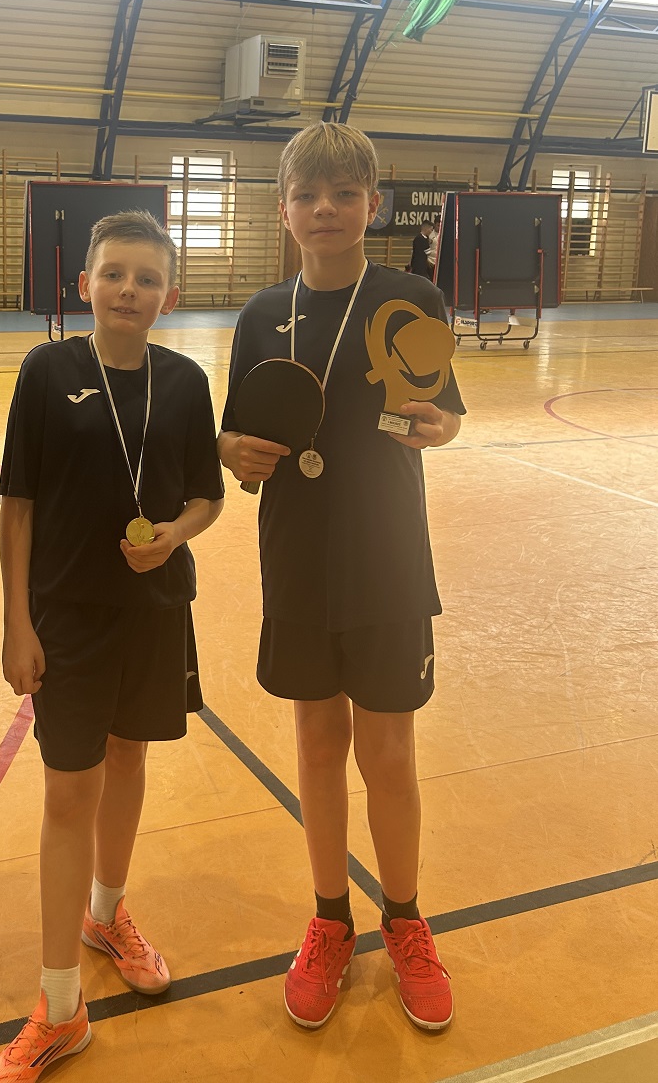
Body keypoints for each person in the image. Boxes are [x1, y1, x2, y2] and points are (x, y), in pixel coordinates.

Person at [218, 122, 465, 1035]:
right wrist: (230, 449)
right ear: (283, 210)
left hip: (388, 558)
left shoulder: (411, 297)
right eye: (307, 195)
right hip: (297, 557)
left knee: (389, 753)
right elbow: (240, 434)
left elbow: (443, 415)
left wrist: (442, 428)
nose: (325, 209)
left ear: (373, 203)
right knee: (319, 745)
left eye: (344, 194)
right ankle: (329, 920)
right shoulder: (260, 315)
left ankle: (405, 922)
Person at [0, 210, 224, 1082]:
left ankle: (106, 914)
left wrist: (174, 536)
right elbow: (17, 507)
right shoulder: (48, 371)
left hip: (154, 609)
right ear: (84, 284)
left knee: (128, 759)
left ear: (170, 295)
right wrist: (17, 622)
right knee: (67, 793)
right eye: (114, 274)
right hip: (67, 617)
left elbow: (207, 496)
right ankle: (59, 1007)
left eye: (147, 278)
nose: (129, 290)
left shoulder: (186, 381)